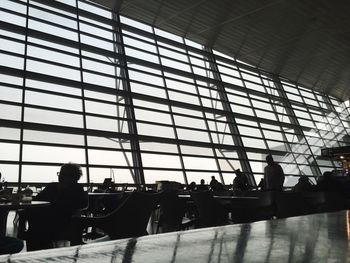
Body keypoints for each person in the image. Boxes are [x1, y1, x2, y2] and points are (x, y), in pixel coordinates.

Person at [22, 162, 88, 251]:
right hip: (47, 219)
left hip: (63, 223)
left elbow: (65, 208)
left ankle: (36, 246)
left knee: (34, 227)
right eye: (60, 173)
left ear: (73, 176)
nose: (59, 176)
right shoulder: (52, 186)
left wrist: (60, 193)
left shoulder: (76, 189)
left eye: (63, 174)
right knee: (29, 215)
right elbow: (37, 199)